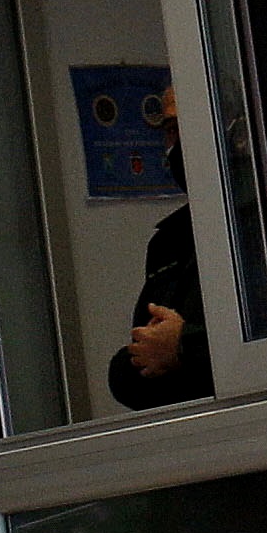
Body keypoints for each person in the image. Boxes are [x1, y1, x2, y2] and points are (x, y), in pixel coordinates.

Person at [104, 83, 211, 410]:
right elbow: (139, 356)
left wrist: (183, 348)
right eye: (171, 130)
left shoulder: (266, 223)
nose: (177, 144)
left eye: (184, 126)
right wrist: (153, 355)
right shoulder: (169, 241)